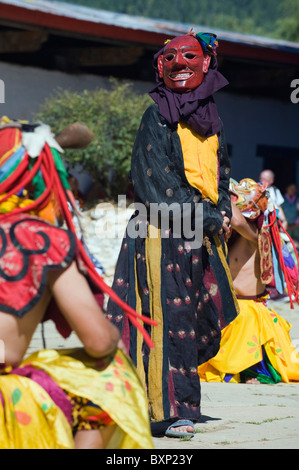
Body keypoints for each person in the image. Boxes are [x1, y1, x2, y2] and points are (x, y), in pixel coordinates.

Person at [107, 31, 239, 438]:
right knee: (163, 322)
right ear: (160, 67)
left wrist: (223, 211)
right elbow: (159, 186)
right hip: (159, 235)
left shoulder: (210, 119)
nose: (180, 64)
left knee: (193, 317)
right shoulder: (157, 117)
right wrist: (213, 219)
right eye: (171, 59)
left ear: (207, 63)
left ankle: (185, 404)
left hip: (196, 235)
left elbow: (221, 173)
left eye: (189, 57)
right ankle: (166, 411)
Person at [0, 117, 154, 449]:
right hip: (5, 400)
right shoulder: (42, 239)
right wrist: (116, 338)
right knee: (109, 366)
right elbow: (98, 341)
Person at [198, 178, 299, 384]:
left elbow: (236, 220)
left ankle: (250, 371)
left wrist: (221, 190)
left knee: (242, 323)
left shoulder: (256, 235)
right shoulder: (235, 235)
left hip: (248, 309)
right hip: (232, 304)